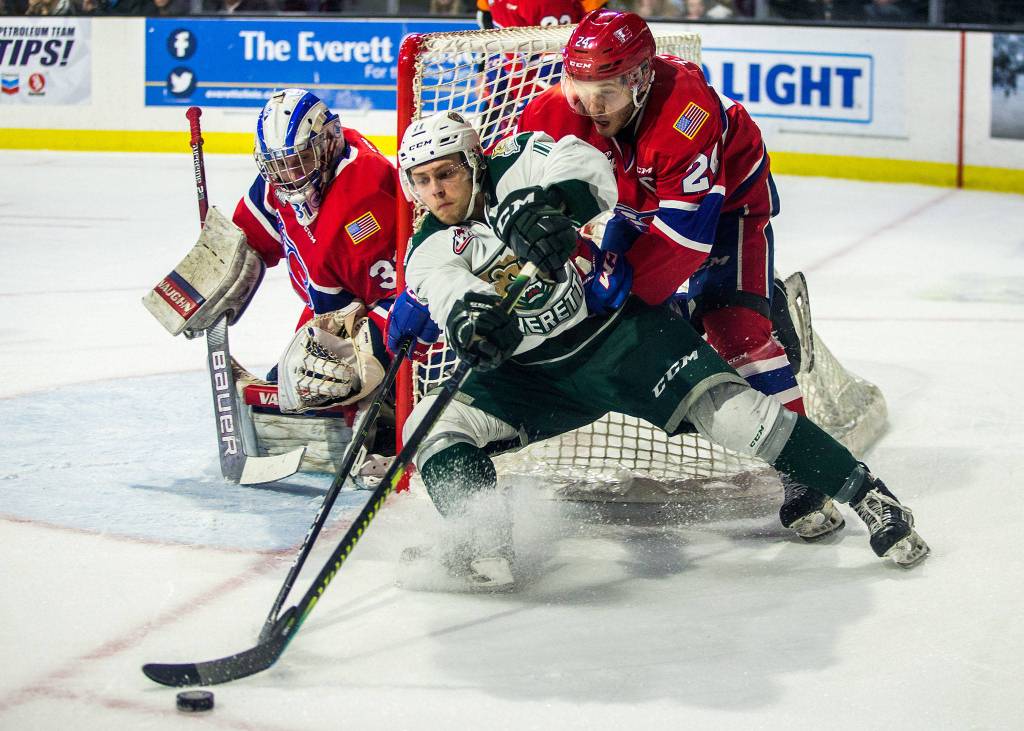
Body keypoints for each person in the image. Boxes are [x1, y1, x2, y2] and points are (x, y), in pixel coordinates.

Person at [388, 111, 929, 589]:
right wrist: (474, 325)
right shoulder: (427, 250)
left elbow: (587, 168)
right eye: (423, 180)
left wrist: (551, 206)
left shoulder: (519, 158)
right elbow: (450, 293)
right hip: (535, 374)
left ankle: (869, 495)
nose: (437, 190)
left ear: (474, 164)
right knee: (428, 429)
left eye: (447, 173)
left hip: (620, 336)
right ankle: (484, 538)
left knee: (736, 415)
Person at [516, 9, 839, 540]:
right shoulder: (558, 108)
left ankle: (806, 472)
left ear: (639, 83)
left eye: (607, 95)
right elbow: (519, 188)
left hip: (727, 204)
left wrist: (615, 298)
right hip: (637, 204)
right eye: (581, 88)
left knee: (733, 331)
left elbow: (688, 240)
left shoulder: (685, 113)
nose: (591, 108)